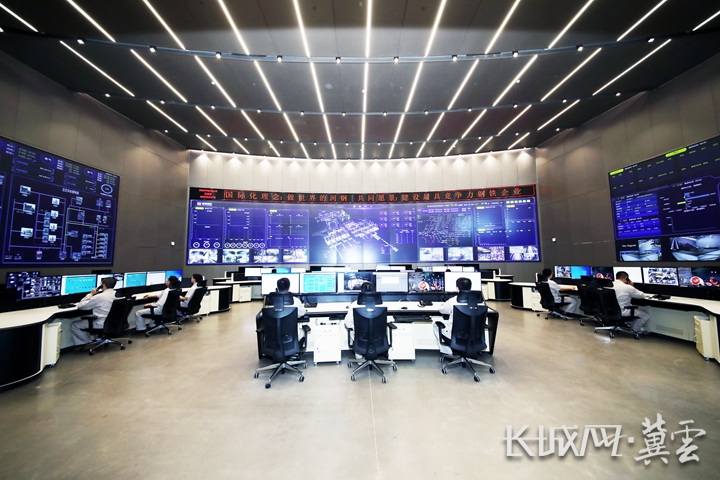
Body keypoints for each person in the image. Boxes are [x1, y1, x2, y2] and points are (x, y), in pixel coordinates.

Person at [434, 277, 484, 355]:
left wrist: (442, 305)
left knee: (436, 325)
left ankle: (448, 353)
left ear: (457, 288)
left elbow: (442, 310)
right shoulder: (479, 301)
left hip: (456, 337)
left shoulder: (453, 301)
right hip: (475, 337)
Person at [69, 277, 119, 346]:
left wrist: (91, 294)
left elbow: (81, 306)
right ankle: (97, 339)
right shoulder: (118, 295)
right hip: (115, 322)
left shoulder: (100, 297)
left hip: (101, 323)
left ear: (103, 285)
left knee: (74, 325)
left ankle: (87, 344)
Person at [344, 282, 385, 359]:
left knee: (351, 329)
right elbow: (386, 322)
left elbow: (348, 324)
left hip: (360, 339)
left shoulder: (354, 305)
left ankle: (359, 358)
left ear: (361, 291)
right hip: (377, 338)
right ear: (374, 291)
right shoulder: (382, 305)